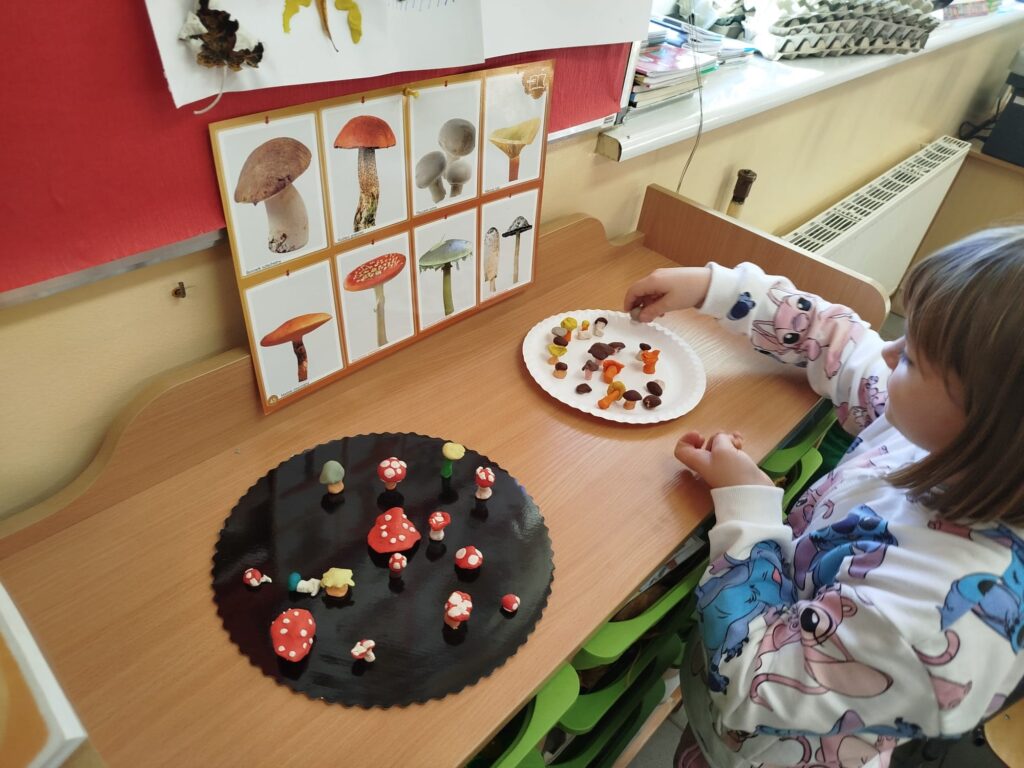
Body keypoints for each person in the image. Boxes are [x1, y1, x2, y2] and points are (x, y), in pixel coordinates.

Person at [622, 226, 1024, 768]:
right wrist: (716, 289)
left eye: (912, 359)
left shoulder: (939, 625)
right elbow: (844, 344)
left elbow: (748, 679)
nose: (888, 352)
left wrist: (748, 506)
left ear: (991, 424)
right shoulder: (948, 438)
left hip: (761, 748)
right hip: (725, 709)